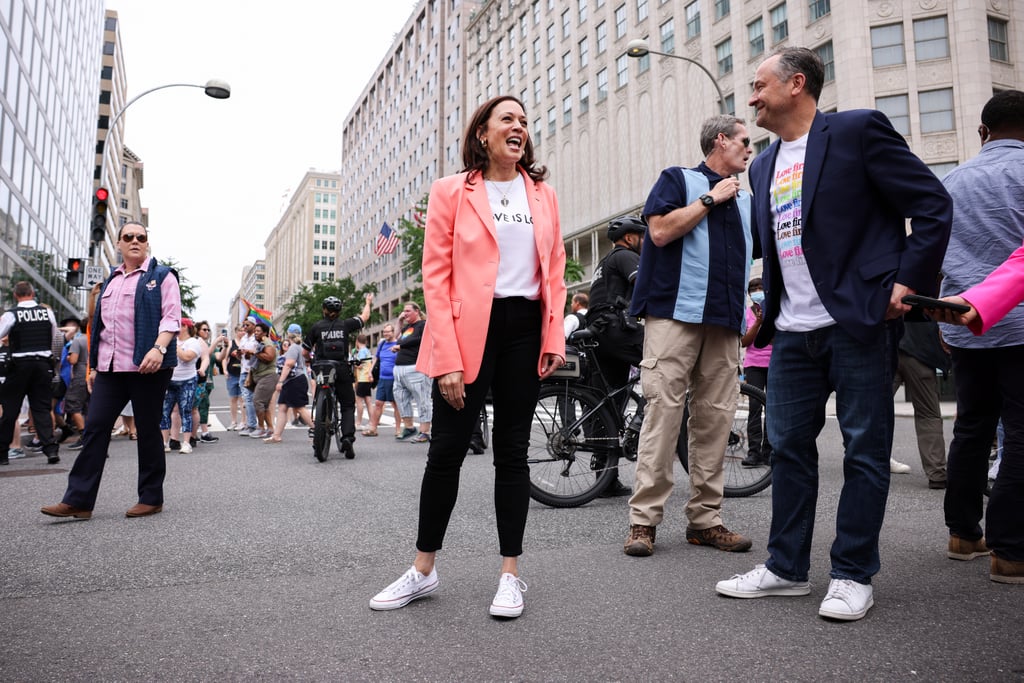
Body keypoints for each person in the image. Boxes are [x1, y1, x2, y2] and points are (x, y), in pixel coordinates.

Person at [714, 48, 952, 621]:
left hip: (859, 322)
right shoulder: (765, 166)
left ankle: (851, 573)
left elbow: (933, 205)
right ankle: (787, 568)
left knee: (864, 451)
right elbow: (773, 250)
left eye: (759, 85)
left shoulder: (856, 131)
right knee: (789, 448)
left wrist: (904, 284)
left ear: (797, 84)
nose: (751, 97)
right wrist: (762, 312)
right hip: (792, 332)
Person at [370, 95, 566, 618]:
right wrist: (449, 357)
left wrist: (553, 339)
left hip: (525, 329)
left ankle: (509, 575)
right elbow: (436, 276)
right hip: (466, 331)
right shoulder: (451, 191)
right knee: (446, 454)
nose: (518, 127)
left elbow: (556, 271)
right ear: (483, 132)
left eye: (524, 121)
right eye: (508, 119)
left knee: (513, 454)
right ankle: (423, 570)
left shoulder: (542, 194)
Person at [623, 114, 755, 558]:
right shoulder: (678, 179)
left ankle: (706, 520)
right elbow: (658, 232)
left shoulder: (748, 202)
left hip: (725, 322)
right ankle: (643, 522)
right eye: (743, 141)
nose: (749, 149)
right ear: (720, 140)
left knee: (716, 419)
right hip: (672, 315)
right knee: (663, 415)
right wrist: (710, 199)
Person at [927, 89, 1024, 585]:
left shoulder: (953, 181)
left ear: (983, 131)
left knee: (971, 427)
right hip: (1020, 323)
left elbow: (937, 252)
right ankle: (1011, 550)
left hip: (965, 324)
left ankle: (963, 533)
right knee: (1022, 433)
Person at [41, 221, 180, 519]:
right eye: (128, 237)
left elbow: (171, 318)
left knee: (147, 429)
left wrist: (158, 348)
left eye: (140, 237)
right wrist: (93, 368)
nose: (134, 241)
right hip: (109, 369)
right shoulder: (110, 282)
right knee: (95, 428)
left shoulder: (162, 276)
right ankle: (78, 500)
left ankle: (151, 497)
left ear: (147, 243)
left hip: (148, 367)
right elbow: (99, 328)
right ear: (118, 244)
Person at [588, 216, 646, 498]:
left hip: (600, 333)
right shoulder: (625, 256)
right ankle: (638, 426)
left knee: (609, 403)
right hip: (617, 330)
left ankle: (606, 478)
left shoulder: (603, 263)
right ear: (629, 237)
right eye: (641, 236)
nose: (645, 242)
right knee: (668, 362)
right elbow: (644, 286)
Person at [303, 293, 373, 457]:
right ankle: (347, 437)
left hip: (322, 368)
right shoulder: (346, 325)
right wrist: (368, 302)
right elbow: (365, 316)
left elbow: (305, 351)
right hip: (341, 368)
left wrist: (308, 361)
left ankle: (319, 434)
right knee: (348, 405)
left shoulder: (316, 327)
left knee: (320, 395)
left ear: (323, 310)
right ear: (340, 311)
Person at [0, 282, 62, 466]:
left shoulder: (11, 314)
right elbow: (54, 336)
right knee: (41, 408)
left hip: (19, 365)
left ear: (15, 295)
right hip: (42, 365)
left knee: (10, 409)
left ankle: (2, 453)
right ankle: (50, 450)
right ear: (33, 293)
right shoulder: (46, 312)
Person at [890, 318, 949, 486]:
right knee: (928, 415)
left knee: (875, 411)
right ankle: (937, 472)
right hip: (921, 351)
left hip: (889, 347)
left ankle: (868, 460)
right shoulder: (932, 290)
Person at [740, 278, 772, 468]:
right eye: (753, 289)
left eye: (761, 287)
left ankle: (768, 451)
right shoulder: (746, 314)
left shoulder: (773, 309)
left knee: (772, 408)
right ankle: (754, 452)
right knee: (754, 407)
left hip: (774, 362)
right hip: (753, 364)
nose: (757, 291)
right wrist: (758, 323)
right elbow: (744, 342)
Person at [159, 319, 203, 454]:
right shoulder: (173, 340)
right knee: (165, 412)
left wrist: (173, 345)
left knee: (186, 411)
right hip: (170, 380)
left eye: (179, 325)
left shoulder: (193, 342)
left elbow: (187, 357)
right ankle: (164, 442)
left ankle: (186, 443)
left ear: (185, 327)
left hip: (187, 381)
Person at [391, 302, 432, 443]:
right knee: (401, 399)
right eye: (404, 311)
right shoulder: (408, 327)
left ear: (417, 311)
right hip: (399, 369)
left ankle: (425, 431)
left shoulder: (424, 325)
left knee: (423, 400)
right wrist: (399, 321)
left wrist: (401, 345)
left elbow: (421, 340)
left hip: (416, 368)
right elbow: (395, 337)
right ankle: (409, 427)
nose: (405, 313)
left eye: (408, 311)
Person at [265, 325, 312, 443]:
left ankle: (318, 430)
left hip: (294, 380)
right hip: (295, 380)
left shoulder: (293, 348)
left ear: (288, 333)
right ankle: (276, 435)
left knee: (300, 408)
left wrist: (280, 381)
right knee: (282, 407)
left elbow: (289, 365)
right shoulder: (300, 347)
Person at [363, 323, 400, 438]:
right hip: (382, 378)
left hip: (394, 378)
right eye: (384, 332)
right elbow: (376, 358)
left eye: (388, 331)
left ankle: (398, 430)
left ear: (394, 332)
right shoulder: (382, 343)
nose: (386, 334)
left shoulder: (398, 344)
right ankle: (373, 428)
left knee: (395, 404)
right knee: (378, 403)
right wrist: (370, 371)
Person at [61, 317, 90, 449]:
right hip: (92, 373)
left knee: (73, 404)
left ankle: (84, 435)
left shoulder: (78, 340)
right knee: (89, 406)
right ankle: (91, 434)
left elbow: (73, 360)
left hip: (80, 374)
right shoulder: (93, 339)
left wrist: (68, 357)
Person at [248, 322, 278, 439]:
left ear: (265, 333)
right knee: (263, 404)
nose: (255, 333)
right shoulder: (260, 343)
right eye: (255, 331)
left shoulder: (267, 343)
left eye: (258, 331)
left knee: (258, 401)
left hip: (267, 377)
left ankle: (261, 428)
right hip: (261, 377)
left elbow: (269, 357)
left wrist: (255, 353)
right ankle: (270, 429)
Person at [236, 317, 259, 436]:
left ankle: (252, 425)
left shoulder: (257, 338)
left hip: (252, 371)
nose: (245, 327)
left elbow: (258, 353)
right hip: (243, 370)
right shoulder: (244, 338)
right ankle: (251, 424)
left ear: (254, 326)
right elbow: (241, 357)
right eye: (244, 325)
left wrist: (248, 352)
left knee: (249, 398)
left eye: (247, 325)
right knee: (246, 398)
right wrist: (239, 354)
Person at [220, 325, 244, 430]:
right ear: (236, 332)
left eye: (244, 330)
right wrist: (225, 370)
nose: (242, 332)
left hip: (243, 374)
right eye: (240, 330)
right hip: (232, 374)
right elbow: (225, 358)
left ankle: (244, 421)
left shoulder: (247, 342)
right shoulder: (231, 343)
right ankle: (234, 421)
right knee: (233, 399)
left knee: (242, 399)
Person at [351, 333, 374, 428]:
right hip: (367, 378)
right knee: (368, 401)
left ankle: (358, 423)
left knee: (359, 401)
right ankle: (372, 422)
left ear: (357, 341)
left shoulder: (361, 352)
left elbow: (359, 365)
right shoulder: (367, 351)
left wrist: (353, 363)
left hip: (362, 378)